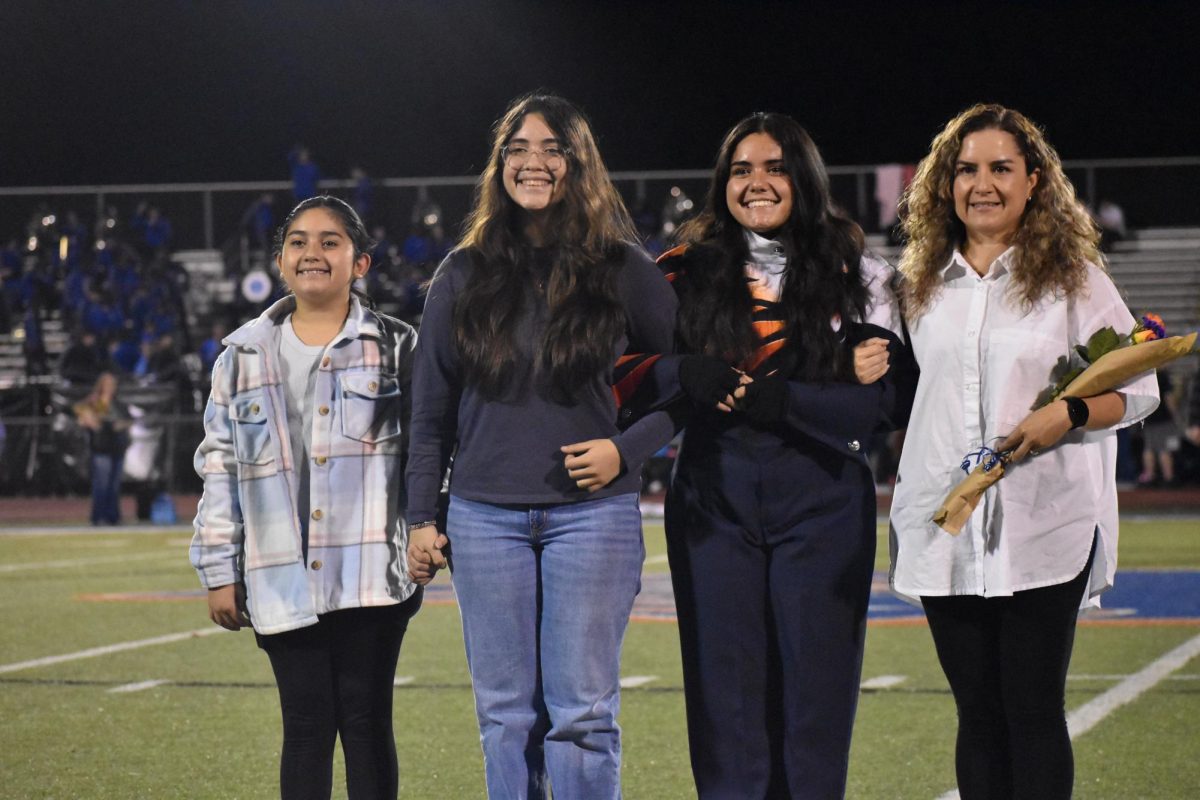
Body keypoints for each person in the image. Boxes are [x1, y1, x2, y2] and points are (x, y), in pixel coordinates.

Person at [405, 93, 677, 800]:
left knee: (582, 714)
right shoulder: (461, 273)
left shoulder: (621, 266)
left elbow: (696, 379)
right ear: (499, 166)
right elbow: (430, 411)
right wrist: (419, 517)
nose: (534, 161)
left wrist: (629, 448)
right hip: (482, 519)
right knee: (505, 716)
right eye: (517, 148)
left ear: (579, 162)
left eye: (553, 147)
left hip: (593, 518)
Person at [889, 104, 1160, 800]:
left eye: (1001, 168)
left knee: (1032, 711)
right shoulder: (916, 282)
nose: (982, 183)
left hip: (1044, 525)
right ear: (944, 184)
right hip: (944, 523)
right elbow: (900, 392)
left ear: (1035, 180)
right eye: (966, 169)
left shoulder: (1076, 278)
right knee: (977, 716)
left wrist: (1067, 413)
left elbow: (1139, 390)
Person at [644, 112, 914, 799]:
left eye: (774, 167)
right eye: (740, 169)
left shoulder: (864, 274)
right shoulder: (677, 274)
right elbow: (634, 375)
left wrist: (782, 400)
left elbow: (881, 408)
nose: (756, 182)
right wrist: (684, 376)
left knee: (815, 706)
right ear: (721, 183)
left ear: (805, 177)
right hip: (713, 499)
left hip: (823, 502)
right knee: (725, 703)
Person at [190, 196, 421, 800]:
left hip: (372, 571)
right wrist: (219, 569)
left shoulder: (398, 347)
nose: (311, 252)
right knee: (306, 726)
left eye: (330, 241)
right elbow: (221, 466)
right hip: (279, 573)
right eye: (298, 241)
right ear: (280, 259)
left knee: (368, 724)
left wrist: (428, 524)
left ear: (360, 262)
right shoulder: (240, 355)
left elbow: (429, 450)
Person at [74, 371, 131, 525]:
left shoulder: (118, 403)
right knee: (101, 484)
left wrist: (121, 425)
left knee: (114, 486)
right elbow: (83, 413)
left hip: (117, 447)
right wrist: (91, 419)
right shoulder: (96, 401)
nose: (111, 388)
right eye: (108, 384)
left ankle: (113, 517)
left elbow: (128, 419)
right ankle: (98, 516)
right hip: (101, 448)